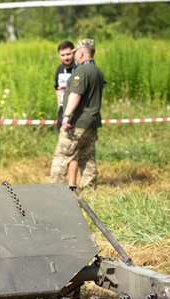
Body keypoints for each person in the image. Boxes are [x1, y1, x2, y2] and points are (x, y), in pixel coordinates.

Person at [50, 39, 105, 191]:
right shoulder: (97, 71)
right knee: (87, 157)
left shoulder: (81, 71)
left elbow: (76, 94)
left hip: (78, 121)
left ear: (80, 53)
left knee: (62, 156)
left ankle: (54, 191)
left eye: (74, 53)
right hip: (92, 121)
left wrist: (66, 116)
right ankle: (89, 189)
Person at [54, 40, 77, 131]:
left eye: (68, 54)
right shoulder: (59, 69)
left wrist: (69, 87)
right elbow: (56, 87)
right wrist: (59, 104)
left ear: (74, 53)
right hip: (63, 108)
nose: (66, 58)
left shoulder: (80, 68)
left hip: (78, 109)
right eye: (62, 55)